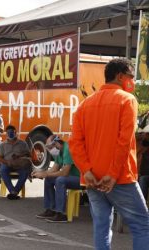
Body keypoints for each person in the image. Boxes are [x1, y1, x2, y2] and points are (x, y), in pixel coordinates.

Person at [69, 58, 149, 250]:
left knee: (102, 226)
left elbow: (75, 143)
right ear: (120, 76)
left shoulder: (85, 104)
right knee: (142, 226)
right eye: (131, 76)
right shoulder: (127, 100)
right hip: (119, 178)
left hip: (92, 179)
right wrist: (112, 174)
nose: (133, 81)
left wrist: (86, 170)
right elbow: (124, 142)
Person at [33, 135, 81, 223]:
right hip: (70, 177)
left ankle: (60, 213)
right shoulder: (60, 151)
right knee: (49, 180)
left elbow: (64, 173)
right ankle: (50, 209)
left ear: (56, 143)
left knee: (60, 180)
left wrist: (45, 174)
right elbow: (54, 169)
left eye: (50, 147)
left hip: (80, 179)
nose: (50, 150)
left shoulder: (68, 149)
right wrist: (40, 172)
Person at [0, 125, 32, 200]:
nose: (10, 134)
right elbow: (0, 158)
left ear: (15, 133)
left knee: (25, 172)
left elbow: (29, 154)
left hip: (19, 164)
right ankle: (13, 191)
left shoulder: (22, 143)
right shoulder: (2, 145)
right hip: (8, 164)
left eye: (12, 132)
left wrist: (19, 156)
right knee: (3, 169)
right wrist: (7, 162)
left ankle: (14, 192)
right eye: (8, 132)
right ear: (6, 133)